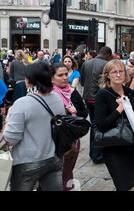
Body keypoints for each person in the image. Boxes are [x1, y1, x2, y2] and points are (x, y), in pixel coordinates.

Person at [2, 62, 66, 191]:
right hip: (54, 158)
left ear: (28, 80)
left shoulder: (22, 103)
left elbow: (10, 140)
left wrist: (8, 119)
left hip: (28, 162)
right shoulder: (57, 98)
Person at [94, 59, 134, 191]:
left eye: (121, 71)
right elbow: (101, 124)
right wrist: (119, 109)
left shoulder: (130, 92)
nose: (118, 75)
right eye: (114, 72)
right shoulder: (102, 94)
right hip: (113, 146)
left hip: (130, 144)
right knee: (122, 185)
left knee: (129, 183)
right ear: (107, 75)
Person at [50, 63, 88, 191]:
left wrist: (74, 111)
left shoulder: (72, 92)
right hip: (55, 141)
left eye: (66, 74)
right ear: (52, 78)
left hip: (72, 141)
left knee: (67, 171)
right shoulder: (49, 94)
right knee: (55, 174)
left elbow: (84, 114)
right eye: (60, 75)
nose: (65, 78)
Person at [80, 46, 112, 164]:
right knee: (99, 125)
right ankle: (97, 154)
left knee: (94, 124)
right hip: (100, 99)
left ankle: (94, 153)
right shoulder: (106, 65)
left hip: (88, 98)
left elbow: (82, 81)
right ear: (107, 54)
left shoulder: (86, 63)